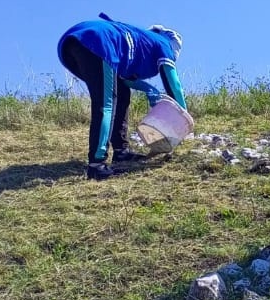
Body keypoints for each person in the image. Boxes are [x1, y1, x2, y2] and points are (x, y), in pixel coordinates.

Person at [57, 13, 189, 180]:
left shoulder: (141, 40)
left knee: (121, 93)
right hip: (99, 43)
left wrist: (149, 89)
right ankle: (97, 165)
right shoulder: (164, 44)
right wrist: (183, 115)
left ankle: (121, 151)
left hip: (72, 44)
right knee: (106, 103)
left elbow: (124, 80)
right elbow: (173, 83)